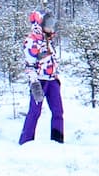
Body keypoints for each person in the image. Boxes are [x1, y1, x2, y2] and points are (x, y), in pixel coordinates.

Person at [20, 10, 66, 144]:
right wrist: (34, 83)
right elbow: (29, 65)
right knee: (35, 112)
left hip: (52, 80)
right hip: (39, 81)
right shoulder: (32, 41)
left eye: (53, 24)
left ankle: (57, 141)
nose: (51, 27)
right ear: (40, 24)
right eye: (49, 24)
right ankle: (26, 141)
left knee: (58, 112)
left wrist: (56, 77)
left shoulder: (48, 39)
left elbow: (51, 60)